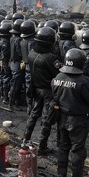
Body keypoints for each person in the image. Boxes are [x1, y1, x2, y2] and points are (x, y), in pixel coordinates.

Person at [52, 48, 89, 177]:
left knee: (63, 148)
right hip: (78, 120)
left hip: (61, 117)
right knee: (77, 150)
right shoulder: (83, 81)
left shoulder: (57, 78)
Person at [23, 27, 60, 155]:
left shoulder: (32, 53)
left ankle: (25, 139)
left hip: (36, 88)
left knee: (34, 114)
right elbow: (58, 74)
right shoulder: (50, 57)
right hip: (48, 91)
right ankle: (42, 146)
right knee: (46, 119)